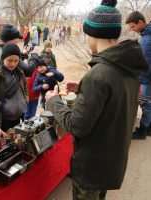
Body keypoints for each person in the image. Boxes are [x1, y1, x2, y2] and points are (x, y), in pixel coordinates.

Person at [45, 0, 149, 199]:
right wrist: (84, 89)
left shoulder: (99, 74)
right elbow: (113, 101)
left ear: (93, 33)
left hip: (92, 166)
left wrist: (54, 100)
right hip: (111, 161)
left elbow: (76, 126)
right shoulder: (126, 65)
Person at [0, 44, 28, 132]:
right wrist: (1, 106)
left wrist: (25, 101)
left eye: (16, 61)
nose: (13, 64)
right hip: (3, 119)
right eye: (10, 60)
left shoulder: (20, 73)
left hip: (18, 116)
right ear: (3, 58)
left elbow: (25, 88)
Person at [126, 11, 151, 139]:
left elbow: (146, 66)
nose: (132, 29)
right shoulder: (146, 35)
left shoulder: (147, 40)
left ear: (140, 22)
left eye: (133, 26)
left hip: (147, 80)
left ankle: (142, 131)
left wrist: (138, 80)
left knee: (146, 104)